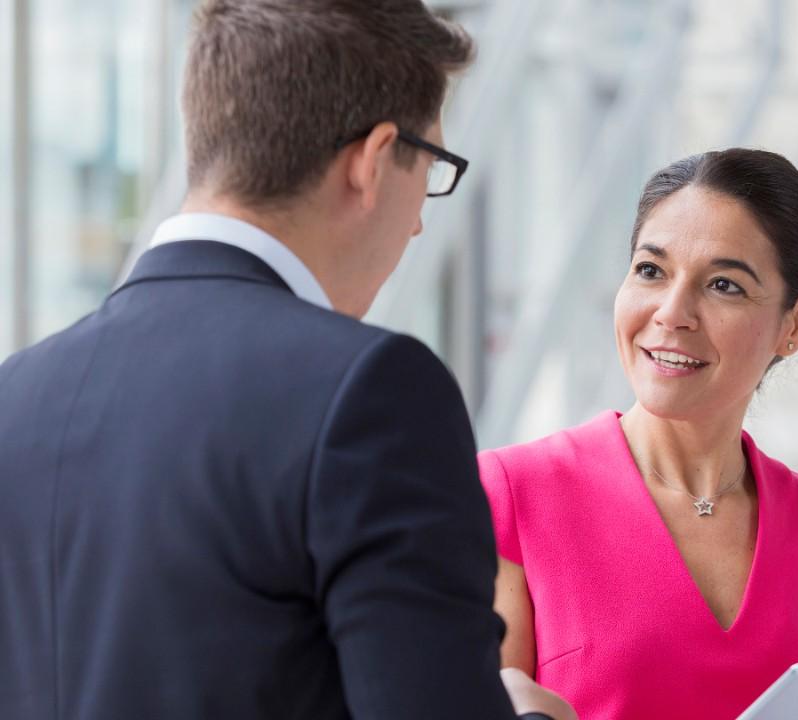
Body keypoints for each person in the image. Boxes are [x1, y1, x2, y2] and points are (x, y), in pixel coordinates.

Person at [0, 1, 573, 719]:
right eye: (432, 167)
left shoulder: (16, 394)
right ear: (371, 161)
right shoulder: (370, 395)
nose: (423, 216)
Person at [479, 148, 798, 719]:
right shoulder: (512, 493)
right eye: (651, 270)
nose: (672, 313)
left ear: (795, 324)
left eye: (723, 285)